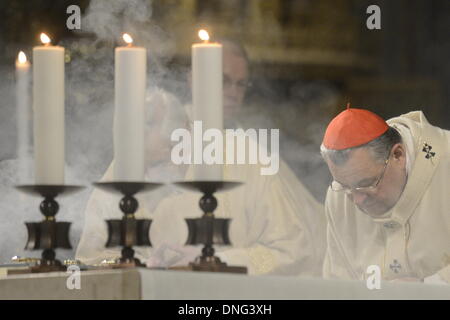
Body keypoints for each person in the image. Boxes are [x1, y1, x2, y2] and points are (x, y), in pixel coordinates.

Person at [76, 40, 327, 277]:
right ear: (193, 79)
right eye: (223, 80)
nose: (233, 92)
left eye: (241, 84)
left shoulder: (252, 156)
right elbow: (94, 256)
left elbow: (295, 251)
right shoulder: (147, 140)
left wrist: (220, 262)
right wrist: (146, 266)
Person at [320, 106, 450, 283]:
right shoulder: (339, 197)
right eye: (345, 187)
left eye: (366, 184)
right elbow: (337, 282)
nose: (357, 200)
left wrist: (428, 287)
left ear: (398, 155)